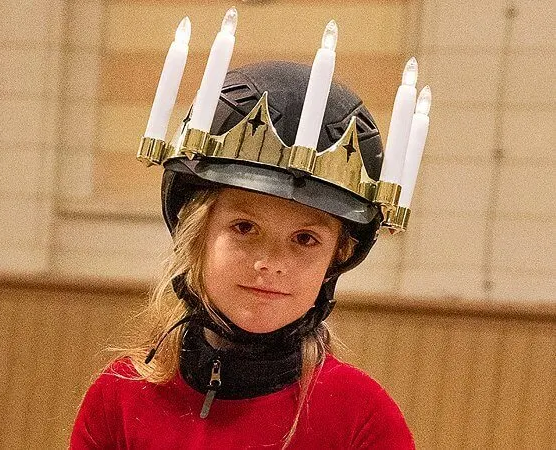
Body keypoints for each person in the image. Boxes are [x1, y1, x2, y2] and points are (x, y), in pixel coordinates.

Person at [70, 61, 415, 449]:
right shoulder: (119, 397)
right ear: (196, 235)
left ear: (337, 257)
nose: (270, 262)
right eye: (244, 228)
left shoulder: (362, 418)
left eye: (305, 239)